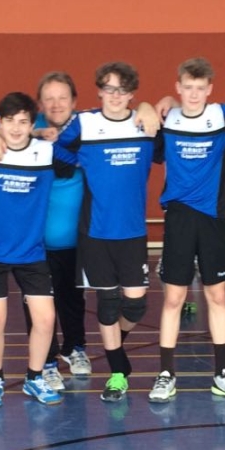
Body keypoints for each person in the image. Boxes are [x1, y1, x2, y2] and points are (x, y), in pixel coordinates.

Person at [49, 63, 160, 403]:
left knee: (136, 306)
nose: (115, 96)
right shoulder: (84, 124)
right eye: (109, 89)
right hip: (96, 232)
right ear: (99, 90)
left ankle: (116, 351)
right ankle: (117, 373)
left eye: (122, 90)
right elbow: (56, 150)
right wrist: (76, 160)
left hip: (132, 232)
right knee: (108, 305)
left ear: (132, 94)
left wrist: (152, 106)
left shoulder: (145, 124)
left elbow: (177, 145)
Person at [0, 93, 74, 409]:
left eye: (24, 122)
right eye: (10, 121)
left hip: (31, 252)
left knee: (46, 319)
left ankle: (34, 377)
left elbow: (78, 159)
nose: (16, 127)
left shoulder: (48, 153)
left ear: (31, 124)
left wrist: (48, 136)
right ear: (0, 121)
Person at [149, 58, 225, 403]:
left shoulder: (223, 116)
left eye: (200, 88)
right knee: (173, 299)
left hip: (213, 220)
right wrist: (155, 104)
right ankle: (166, 374)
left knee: (217, 296)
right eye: (187, 88)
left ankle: (222, 373)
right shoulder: (167, 120)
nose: (193, 94)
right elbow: (144, 120)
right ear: (178, 88)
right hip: (179, 218)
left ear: (210, 89)